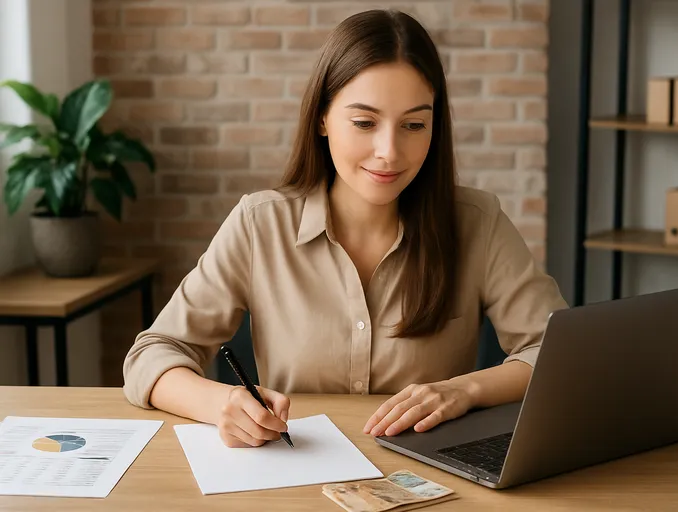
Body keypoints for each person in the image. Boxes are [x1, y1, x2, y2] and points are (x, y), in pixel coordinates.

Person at [123, 9, 568, 449]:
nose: (389, 152)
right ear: (322, 118)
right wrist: (221, 403)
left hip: (431, 482)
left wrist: (463, 390)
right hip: (294, 474)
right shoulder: (261, 224)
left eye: (414, 125)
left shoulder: (478, 222)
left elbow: (557, 354)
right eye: (364, 123)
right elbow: (152, 355)